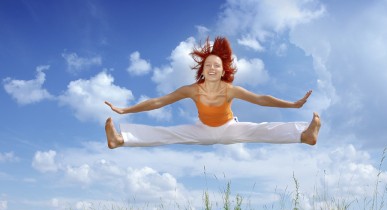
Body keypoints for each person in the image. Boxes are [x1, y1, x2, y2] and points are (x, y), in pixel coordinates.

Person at [105, 36, 320, 149]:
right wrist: (125, 110)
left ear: (223, 70)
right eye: (208, 65)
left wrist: (292, 104)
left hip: (229, 128)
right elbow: (158, 102)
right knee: (168, 133)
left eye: (217, 65)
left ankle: (304, 135)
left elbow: (261, 99)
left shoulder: (230, 90)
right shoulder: (192, 90)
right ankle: (120, 140)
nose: (212, 68)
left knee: (260, 130)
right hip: (202, 130)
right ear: (203, 70)